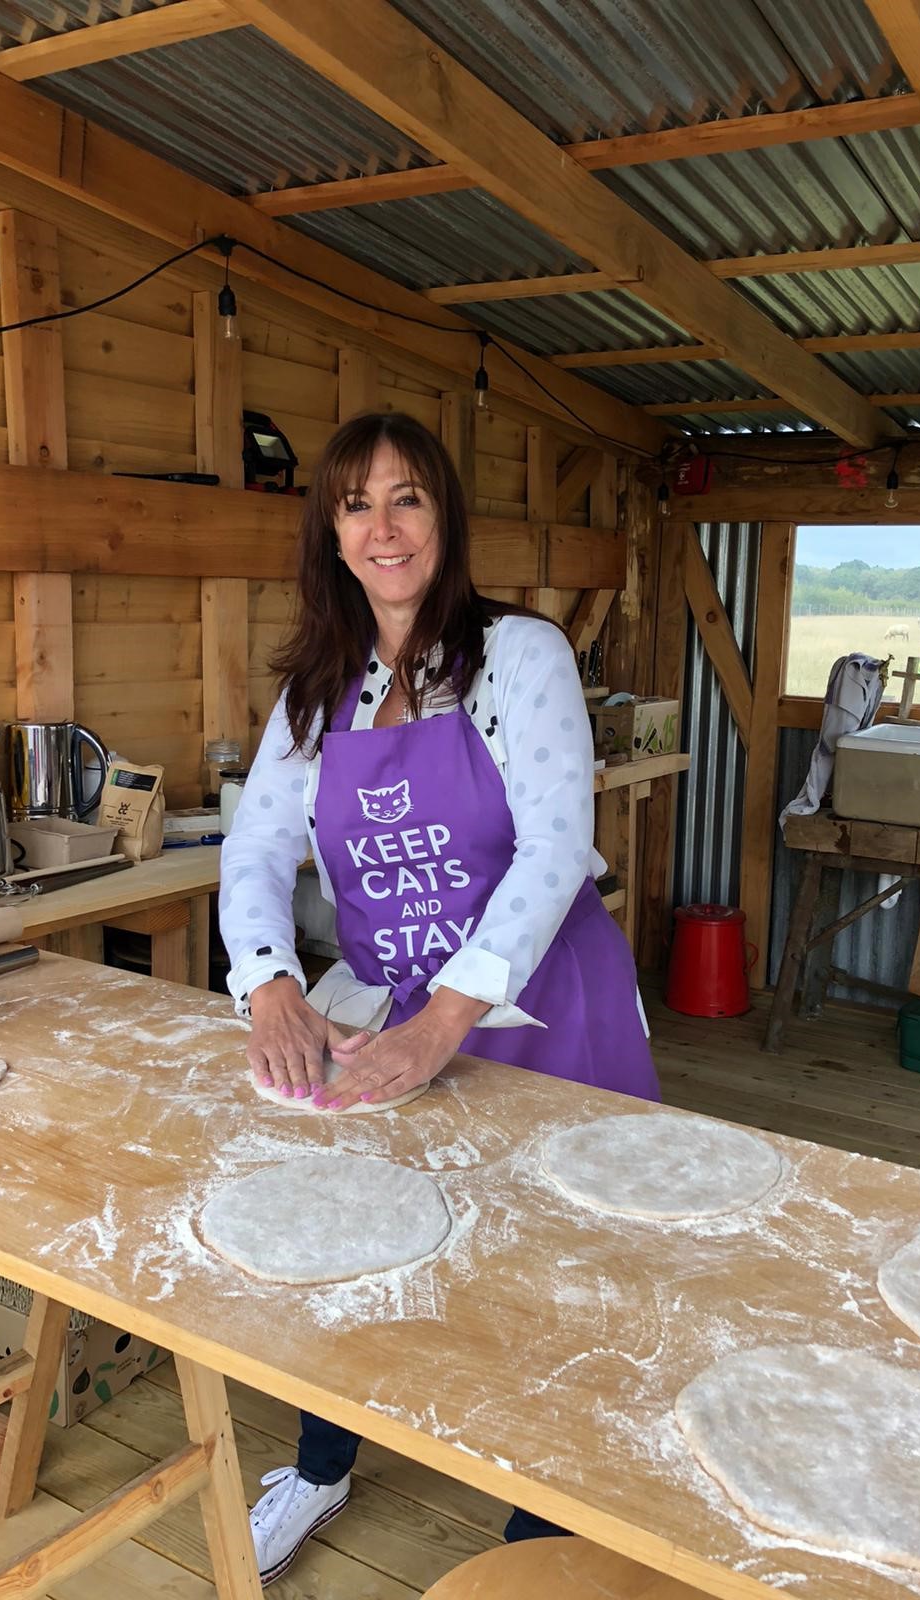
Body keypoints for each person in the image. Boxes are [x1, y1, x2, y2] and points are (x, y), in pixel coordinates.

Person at [219, 410, 658, 1587]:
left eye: (406, 497)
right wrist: (267, 981)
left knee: (557, 1269)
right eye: (357, 503)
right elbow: (254, 846)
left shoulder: (522, 655)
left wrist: (441, 1026)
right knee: (356, 1243)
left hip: (549, 1002)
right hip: (394, 1006)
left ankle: (540, 1531)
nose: (382, 525)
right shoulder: (320, 691)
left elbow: (559, 843)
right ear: (332, 531)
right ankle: (319, 1466)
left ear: (444, 518)